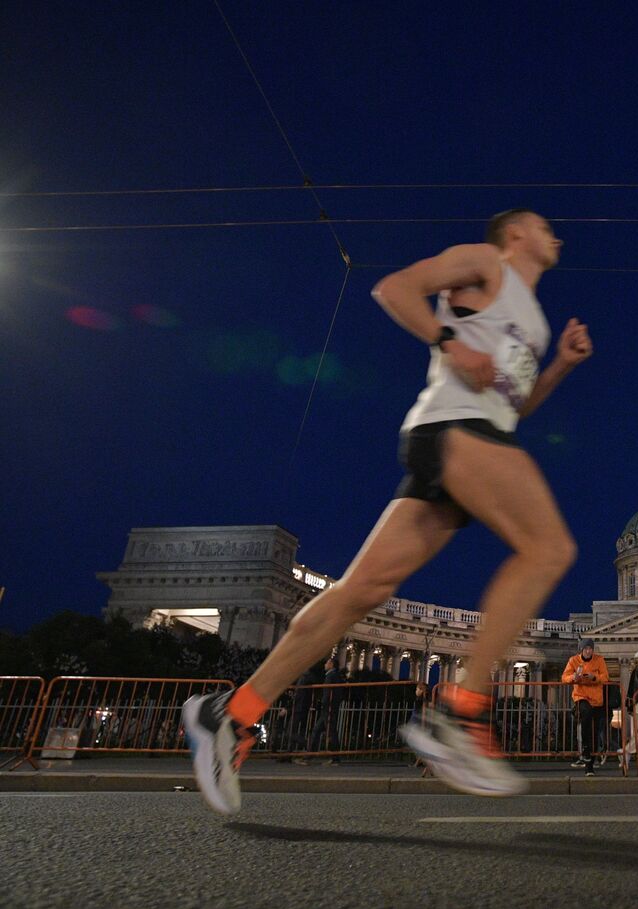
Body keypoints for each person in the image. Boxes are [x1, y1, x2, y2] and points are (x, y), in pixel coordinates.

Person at [182, 209, 592, 814]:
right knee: (549, 548)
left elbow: (515, 407)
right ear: (514, 235)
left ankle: (231, 713)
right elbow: (394, 288)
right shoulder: (485, 264)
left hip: (477, 435)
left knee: (360, 590)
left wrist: (560, 364)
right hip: (456, 430)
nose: (555, 233)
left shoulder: (532, 317)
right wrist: (447, 340)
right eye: (543, 224)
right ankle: (461, 713)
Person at [564, 639, 610, 776]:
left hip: (597, 700)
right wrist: (574, 677)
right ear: (581, 650)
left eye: (590, 648)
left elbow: (605, 677)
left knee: (594, 732)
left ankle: (589, 766)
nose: (589, 651)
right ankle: (585, 749)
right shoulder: (573, 660)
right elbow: (564, 677)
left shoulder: (599, 660)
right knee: (586, 715)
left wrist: (594, 677)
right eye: (586, 649)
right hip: (581, 697)